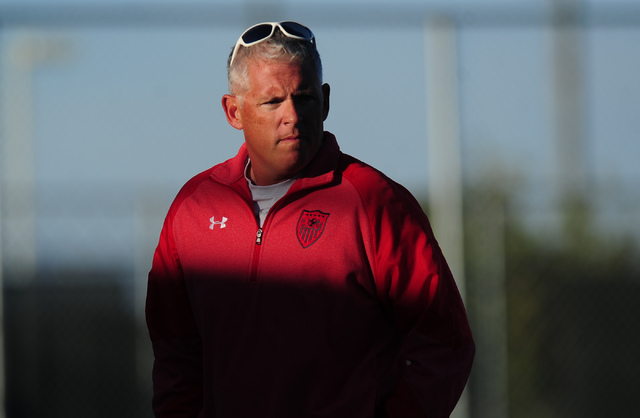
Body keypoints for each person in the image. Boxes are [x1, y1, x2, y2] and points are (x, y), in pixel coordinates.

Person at [146, 21, 474, 418]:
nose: (292, 116)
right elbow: (175, 357)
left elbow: (445, 343)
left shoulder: (374, 201)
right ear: (234, 111)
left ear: (326, 100)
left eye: (304, 98)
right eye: (272, 102)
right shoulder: (193, 210)